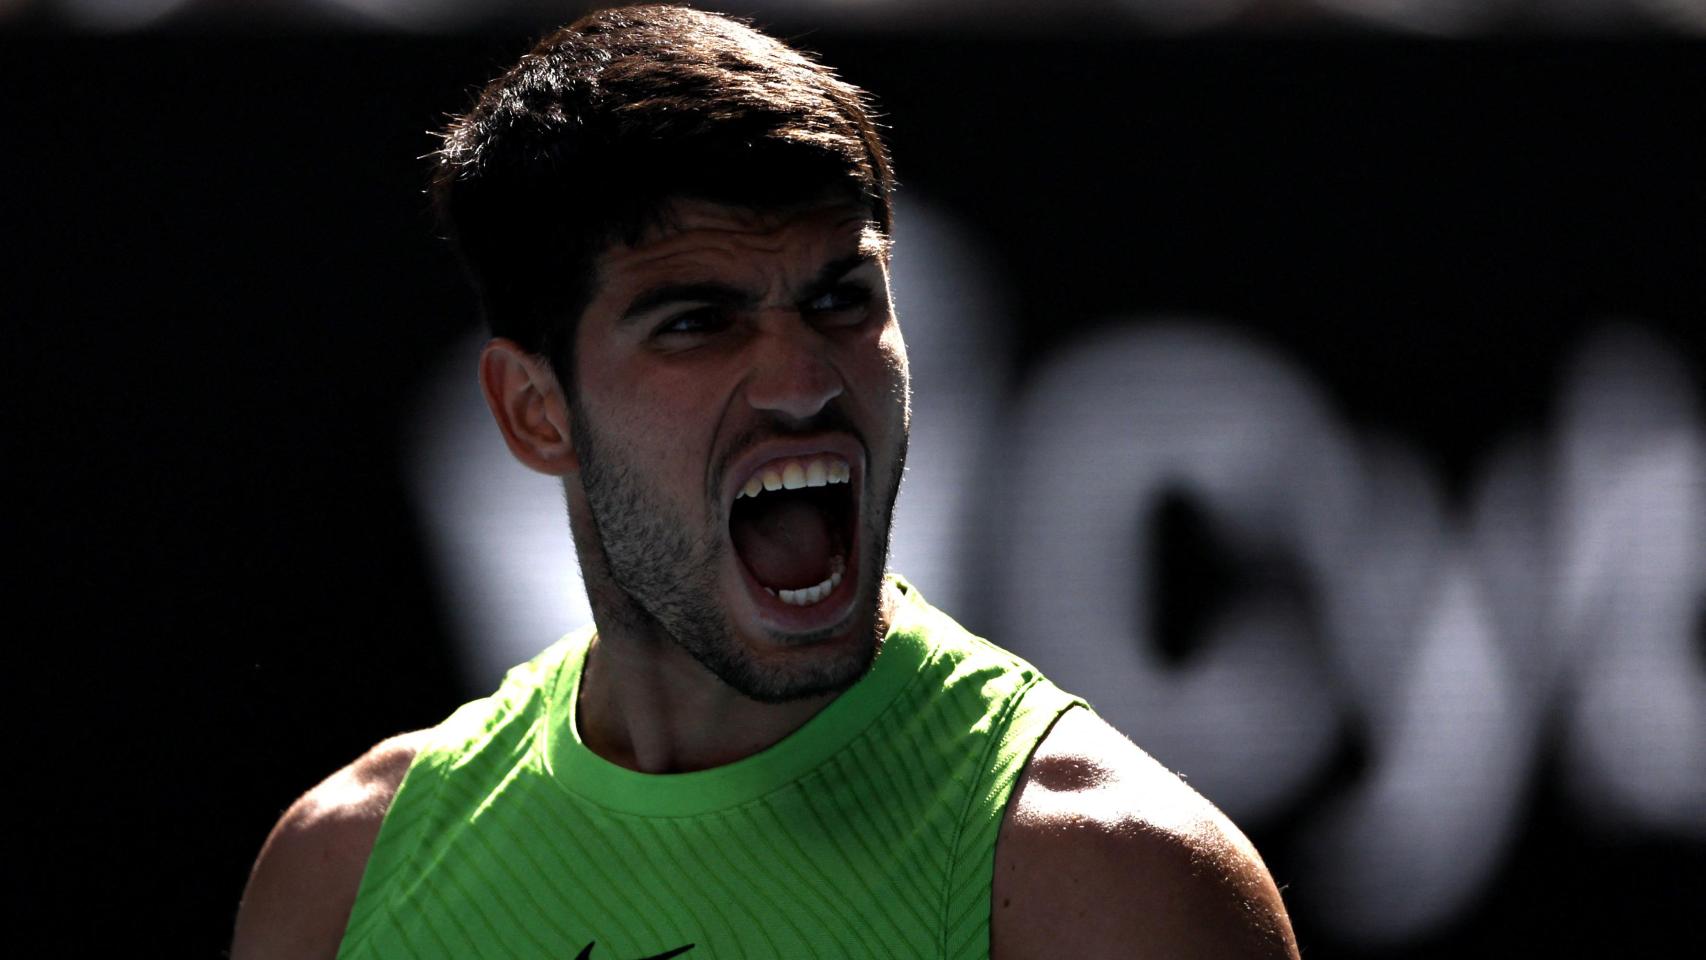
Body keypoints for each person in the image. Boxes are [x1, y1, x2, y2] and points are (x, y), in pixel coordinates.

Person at [231, 5, 1300, 958]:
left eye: (841, 301)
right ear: (534, 411)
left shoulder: (1115, 885)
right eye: (698, 322)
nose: (803, 382)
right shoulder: (341, 874)